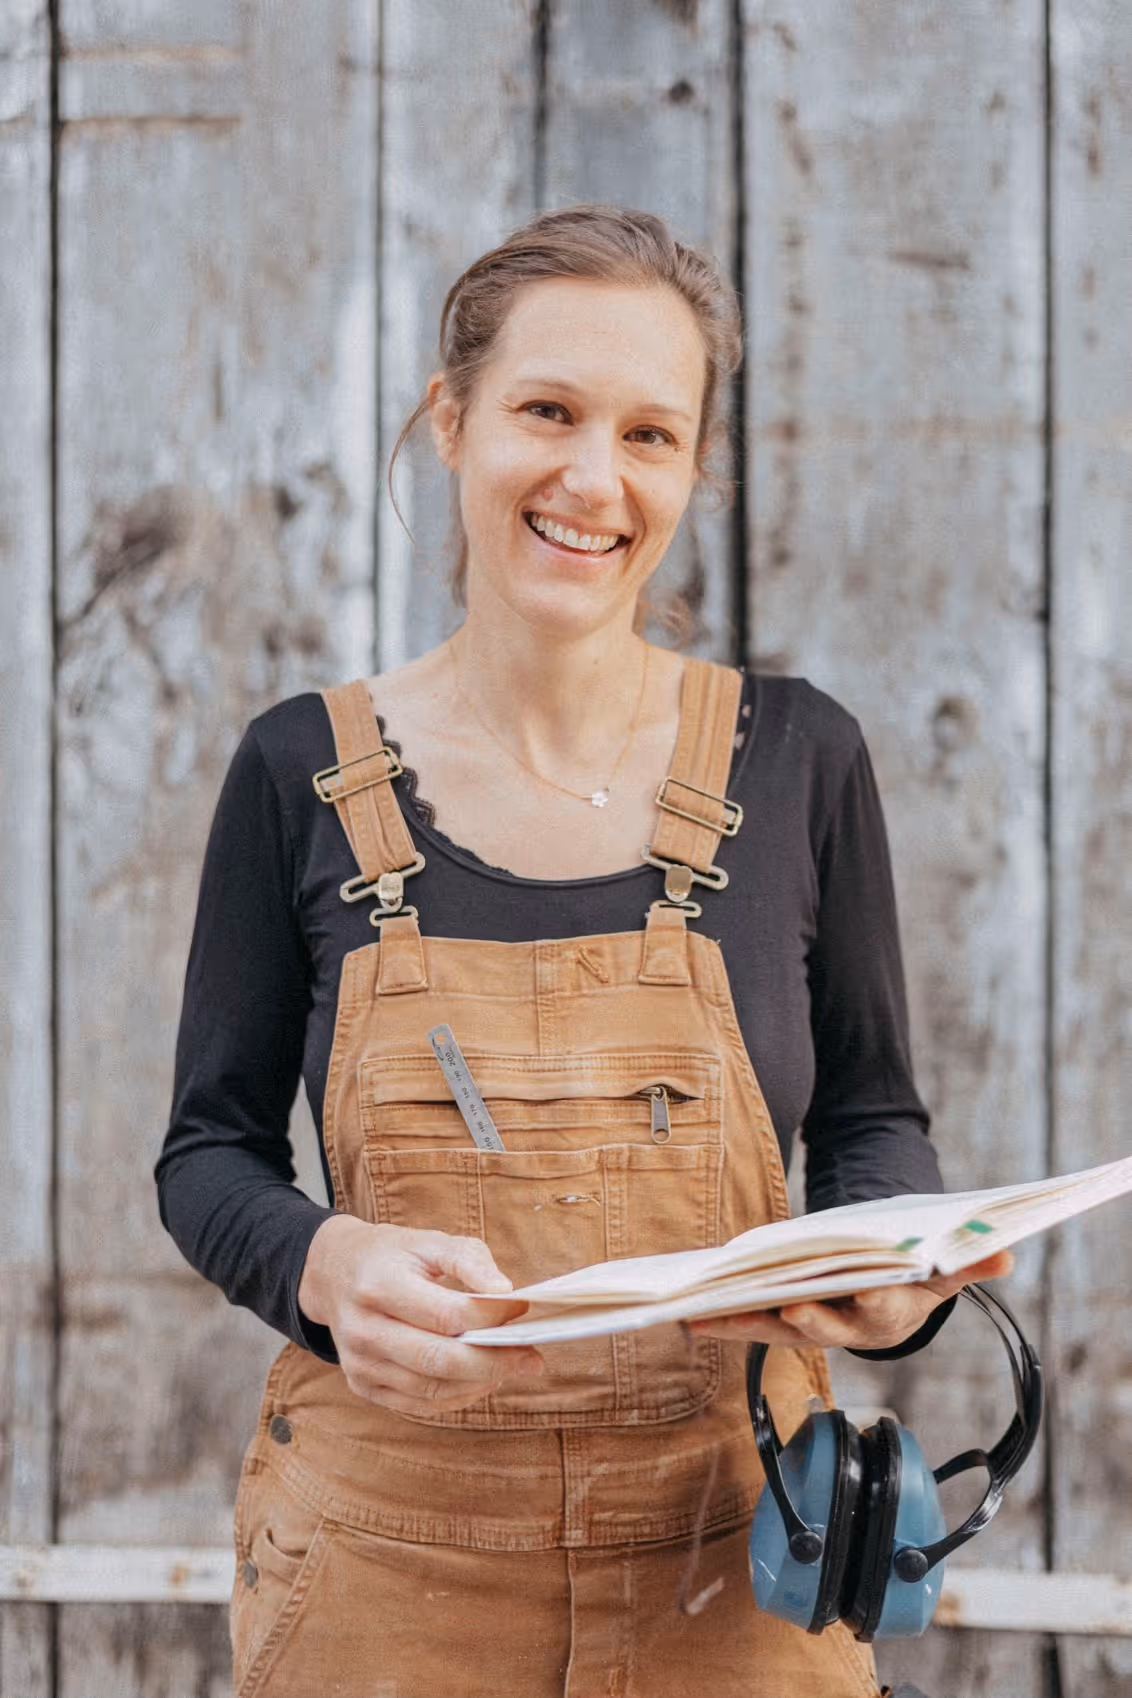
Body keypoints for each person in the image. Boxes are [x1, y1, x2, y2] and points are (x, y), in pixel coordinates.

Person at [155, 204, 1012, 1698]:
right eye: (546, 411)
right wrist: (323, 1258)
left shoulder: (799, 758)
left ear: (693, 469)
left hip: (739, 1562)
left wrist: (898, 1272)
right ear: (451, 419)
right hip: (384, 1572)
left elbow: (875, 1117)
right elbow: (207, 1151)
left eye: (650, 434)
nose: (592, 478)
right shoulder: (298, 771)